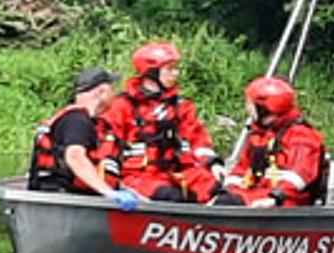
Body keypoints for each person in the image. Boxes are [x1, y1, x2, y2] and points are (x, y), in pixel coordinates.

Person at [98, 42, 224, 203]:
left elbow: (198, 140)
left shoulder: (180, 107)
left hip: (176, 173)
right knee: (170, 196)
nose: (176, 73)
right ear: (151, 73)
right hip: (138, 176)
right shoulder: (123, 106)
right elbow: (108, 145)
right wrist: (109, 187)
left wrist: (213, 164)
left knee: (221, 193)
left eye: (175, 68)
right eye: (170, 69)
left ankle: (219, 225)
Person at [27, 66, 141, 211]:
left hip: (64, 194)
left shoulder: (81, 119)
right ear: (101, 92)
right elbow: (75, 157)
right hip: (61, 198)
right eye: (112, 89)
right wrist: (109, 193)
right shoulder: (78, 121)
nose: (115, 95)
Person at [212, 76, 328, 208]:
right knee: (218, 196)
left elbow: (300, 176)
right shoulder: (260, 135)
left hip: (287, 202)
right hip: (260, 195)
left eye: (250, 104)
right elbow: (241, 170)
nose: (248, 109)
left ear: (264, 108)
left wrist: (276, 198)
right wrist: (227, 190)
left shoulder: (302, 137)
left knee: (228, 202)